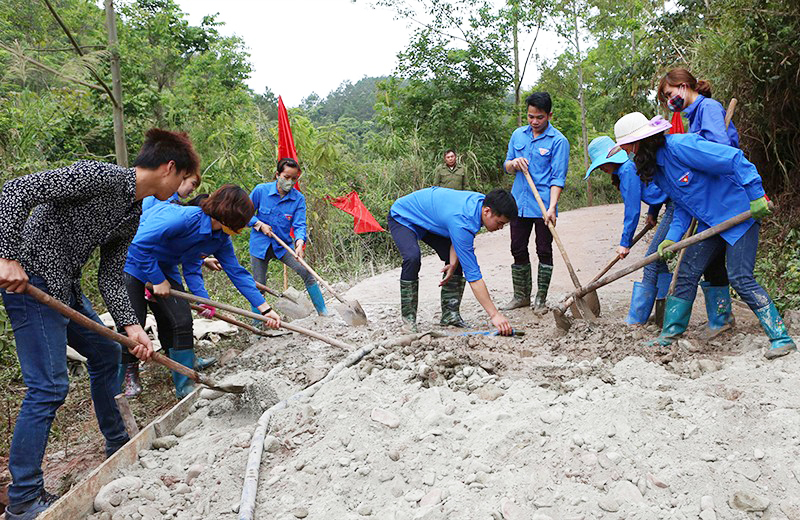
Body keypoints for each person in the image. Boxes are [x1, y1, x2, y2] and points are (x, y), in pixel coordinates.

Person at [0, 128, 199, 519]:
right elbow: (12, 192)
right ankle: (23, 498)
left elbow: (110, 273)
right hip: (33, 282)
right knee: (49, 385)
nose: (180, 191)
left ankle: (116, 444)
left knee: (108, 351)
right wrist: (7, 257)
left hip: (65, 287)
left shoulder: (134, 210)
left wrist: (131, 327)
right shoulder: (98, 177)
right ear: (169, 168)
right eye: (181, 181)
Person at [609, 112, 796, 359]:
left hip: (739, 214)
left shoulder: (682, 147)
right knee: (686, 272)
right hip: (710, 224)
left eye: (629, 149)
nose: (630, 155)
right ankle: (669, 335)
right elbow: (683, 206)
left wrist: (756, 193)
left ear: (641, 142)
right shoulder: (658, 170)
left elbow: (733, 158)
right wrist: (672, 237)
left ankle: (781, 337)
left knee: (740, 277)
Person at [122, 185, 282, 398]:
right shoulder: (182, 218)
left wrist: (265, 309)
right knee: (133, 322)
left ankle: (185, 387)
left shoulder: (219, 238)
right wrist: (157, 279)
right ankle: (123, 377)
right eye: (241, 223)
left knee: (181, 321)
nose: (243, 228)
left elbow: (233, 272)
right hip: (132, 264)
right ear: (227, 216)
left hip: (165, 267)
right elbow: (136, 245)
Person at [657, 67, 740, 338]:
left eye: (670, 94)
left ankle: (671, 333)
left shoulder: (709, 109)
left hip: (722, 196)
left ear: (683, 86)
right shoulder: (695, 114)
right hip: (710, 197)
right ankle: (721, 320)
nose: (671, 101)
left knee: (691, 265)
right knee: (713, 262)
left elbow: (719, 151)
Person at [388, 187, 516, 335]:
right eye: (499, 222)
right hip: (404, 216)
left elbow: (459, 239)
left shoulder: (479, 205)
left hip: (430, 222)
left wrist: (453, 264)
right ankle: (408, 322)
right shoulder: (463, 219)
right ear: (487, 211)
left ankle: (450, 316)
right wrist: (495, 315)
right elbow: (473, 276)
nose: (500, 228)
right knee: (412, 257)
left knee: (459, 260)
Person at [584, 136, 673, 325]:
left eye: (602, 164)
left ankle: (636, 319)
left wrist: (625, 243)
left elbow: (632, 210)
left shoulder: (627, 170)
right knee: (659, 260)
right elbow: (656, 187)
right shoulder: (630, 167)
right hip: (671, 202)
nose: (602, 168)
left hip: (676, 206)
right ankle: (663, 314)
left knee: (650, 261)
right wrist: (653, 212)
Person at [502, 92, 570, 311]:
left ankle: (540, 299)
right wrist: (514, 163)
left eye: (539, 117)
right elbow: (507, 166)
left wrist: (551, 207)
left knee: (544, 250)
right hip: (518, 205)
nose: (534, 121)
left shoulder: (559, 141)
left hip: (543, 206)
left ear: (549, 115)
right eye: (530, 116)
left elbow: (558, 178)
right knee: (517, 248)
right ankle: (521, 296)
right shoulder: (518, 135)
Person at [248, 158, 328, 317]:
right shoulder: (260, 191)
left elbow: (299, 225)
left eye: (294, 178)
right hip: (259, 246)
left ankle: (323, 312)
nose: (290, 182)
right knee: (258, 285)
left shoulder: (298, 198)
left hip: (283, 245)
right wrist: (259, 224)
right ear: (277, 175)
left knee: (305, 272)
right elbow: (244, 213)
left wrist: (299, 244)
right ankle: (258, 324)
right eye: (286, 177)